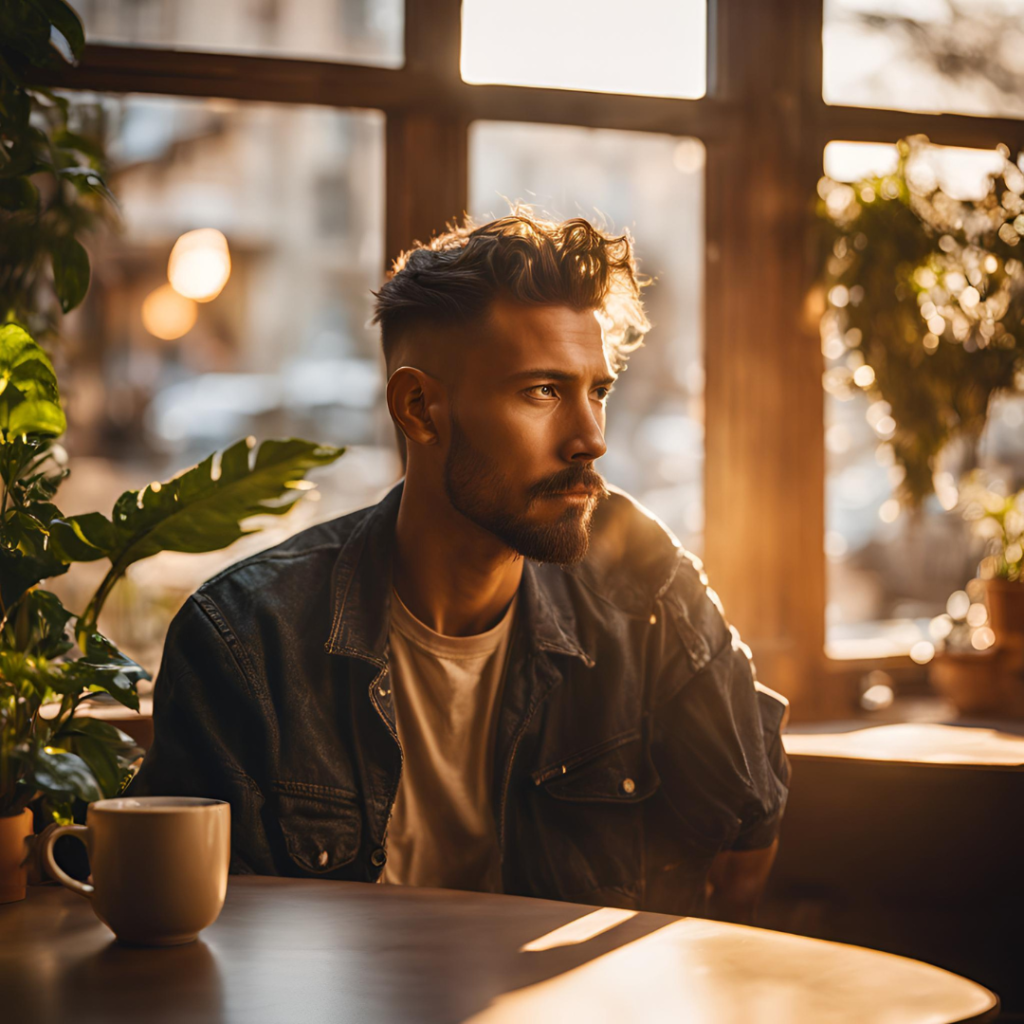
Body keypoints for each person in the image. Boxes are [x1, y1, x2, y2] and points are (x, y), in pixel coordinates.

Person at [131, 211, 789, 921]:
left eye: (596, 391)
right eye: (542, 391)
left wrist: (668, 578)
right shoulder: (248, 639)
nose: (590, 439)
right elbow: (223, 944)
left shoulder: (644, 593)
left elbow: (744, 852)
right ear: (419, 408)